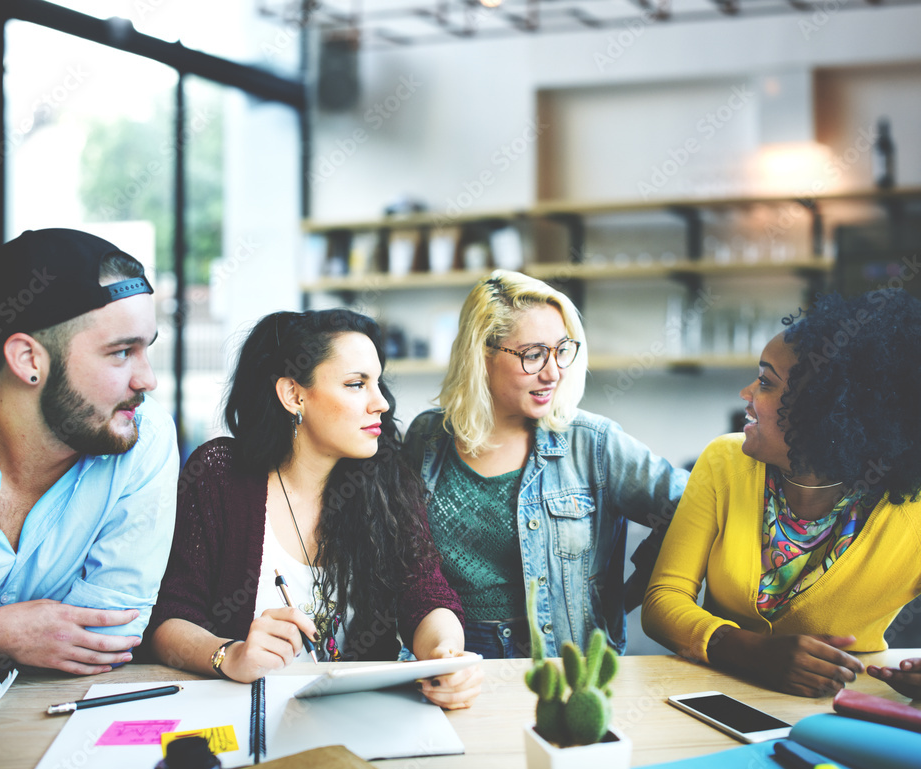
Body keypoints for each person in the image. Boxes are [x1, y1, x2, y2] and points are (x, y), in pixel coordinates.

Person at [148, 309, 481, 709]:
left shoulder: (384, 476)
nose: (381, 404)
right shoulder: (219, 474)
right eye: (357, 384)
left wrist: (445, 655)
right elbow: (169, 619)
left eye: (378, 382)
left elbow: (425, 594)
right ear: (294, 394)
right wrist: (229, 654)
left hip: (358, 715)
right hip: (242, 713)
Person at [0, 228, 178, 675]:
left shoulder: (144, 436)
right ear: (28, 360)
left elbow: (106, 638)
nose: (147, 381)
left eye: (146, 349)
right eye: (121, 353)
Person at [642, 289, 921, 699]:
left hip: (847, 706)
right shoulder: (724, 462)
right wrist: (749, 652)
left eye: (767, 383)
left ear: (828, 412)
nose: (747, 394)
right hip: (722, 696)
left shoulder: (911, 507)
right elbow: (662, 600)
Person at [404, 271, 688, 659]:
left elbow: (692, 505)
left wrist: (634, 588)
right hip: (449, 656)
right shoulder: (427, 436)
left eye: (561, 350)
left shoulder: (594, 442)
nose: (554, 372)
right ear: (482, 354)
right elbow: (404, 556)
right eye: (533, 354)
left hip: (559, 663)